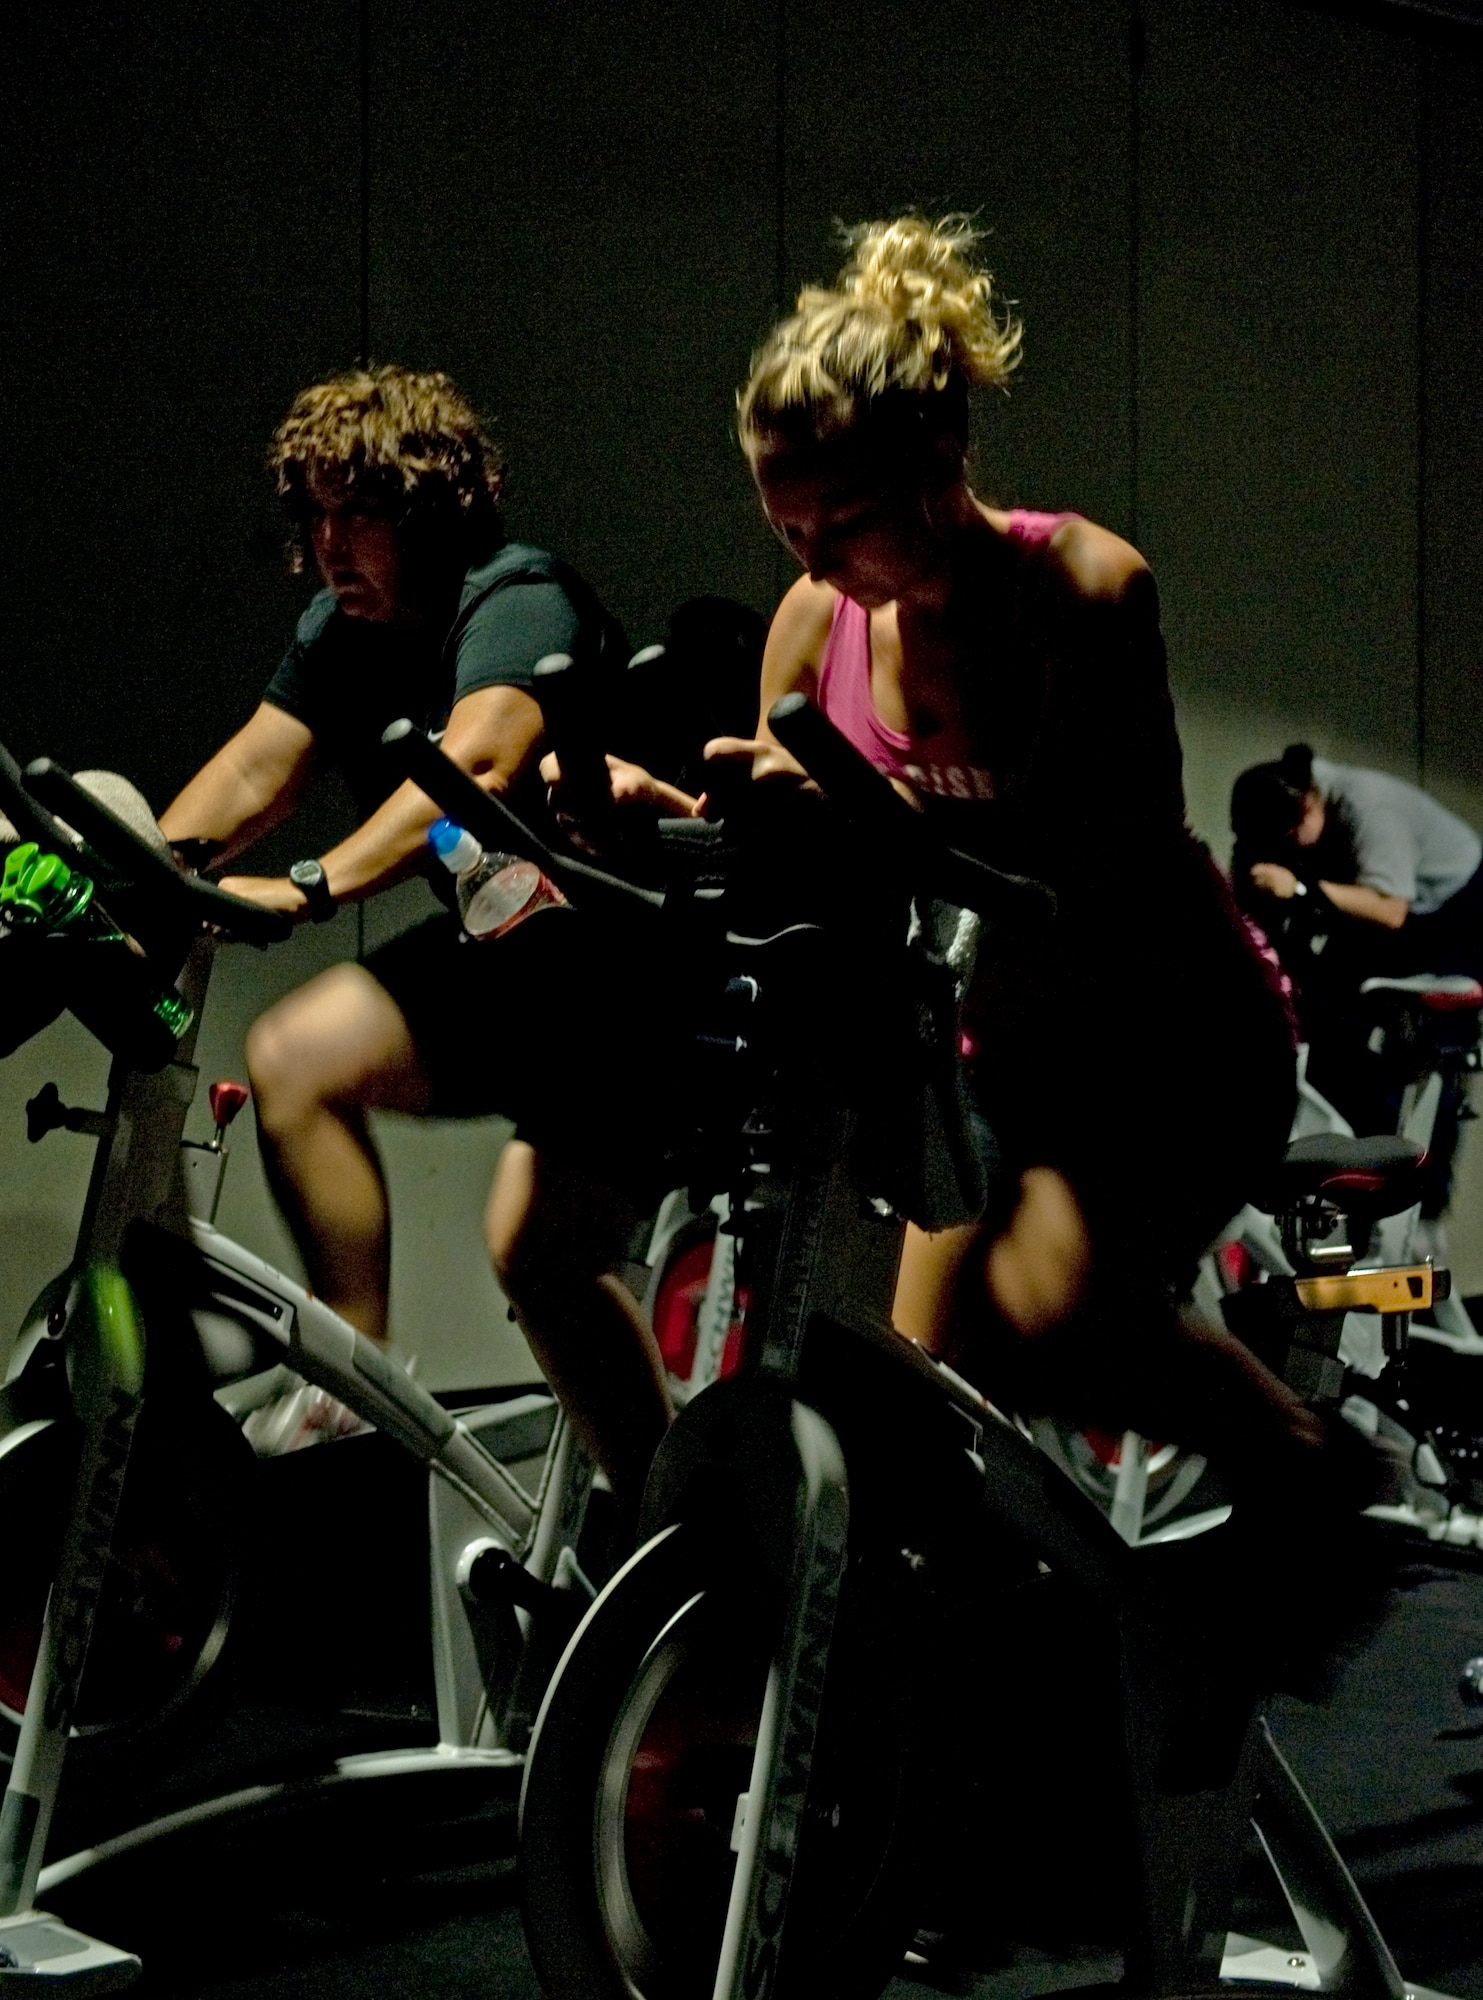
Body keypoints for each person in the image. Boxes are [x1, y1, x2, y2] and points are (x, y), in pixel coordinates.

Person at [565, 218, 1330, 1493]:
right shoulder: (819, 618)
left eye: (841, 522)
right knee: (928, 1369)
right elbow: (792, 845)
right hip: (1000, 1046)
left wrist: (863, 818)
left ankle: (1312, 1474)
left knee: (1045, 1324)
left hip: (1172, 1036)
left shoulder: (1081, 589)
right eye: (784, 527)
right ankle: (1011, 1642)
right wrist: (666, 815)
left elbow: (1097, 880)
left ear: (940, 459)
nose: (809, 563)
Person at [159, 365, 673, 1506]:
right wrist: (140, 867)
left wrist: (314, 884)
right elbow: (254, 767)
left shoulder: (519, 596)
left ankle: (664, 1513)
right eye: (317, 513)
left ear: (430, 508)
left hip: (623, 986)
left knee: (540, 1255)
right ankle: (358, 1378)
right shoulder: (339, 632)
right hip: (504, 969)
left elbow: (477, 762)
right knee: (295, 1058)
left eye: (363, 513)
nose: (334, 542)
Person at [1232, 742, 1483, 1207]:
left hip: (1452, 904)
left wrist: (1303, 887)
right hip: (1396, 904)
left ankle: (1426, 1203)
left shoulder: (1368, 809)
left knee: (1427, 1046)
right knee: (1324, 1010)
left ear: (1307, 806)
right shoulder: (1302, 811)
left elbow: (1390, 911)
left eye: (1288, 840)